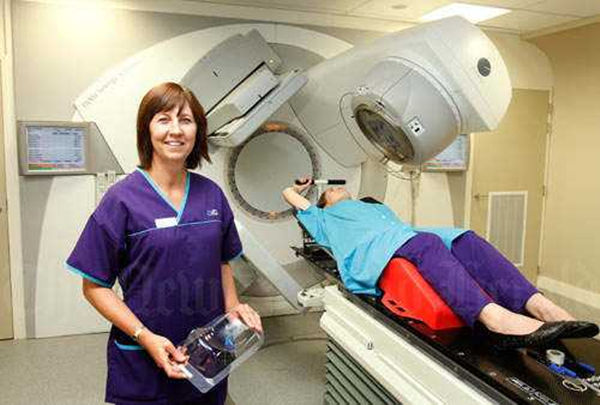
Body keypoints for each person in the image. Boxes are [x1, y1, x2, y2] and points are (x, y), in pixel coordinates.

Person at [66, 82, 262, 405]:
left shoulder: (212, 195)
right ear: (147, 129)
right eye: (163, 119)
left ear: (197, 131)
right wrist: (144, 336)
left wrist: (233, 306)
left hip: (209, 353)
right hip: (143, 360)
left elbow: (221, 260)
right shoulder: (121, 200)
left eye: (185, 120)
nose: (176, 130)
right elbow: (94, 286)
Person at [282, 179, 598, 349]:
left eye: (338, 186)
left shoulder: (374, 207)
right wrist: (299, 187)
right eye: (330, 191)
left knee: (465, 238)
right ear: (324, 203)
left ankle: (542, 307)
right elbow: (288, 195)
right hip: (371, 251)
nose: (336, 188)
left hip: (404, 234)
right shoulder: (323, 218)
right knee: (427, 244)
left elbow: (403, 228)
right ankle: (495, 319)